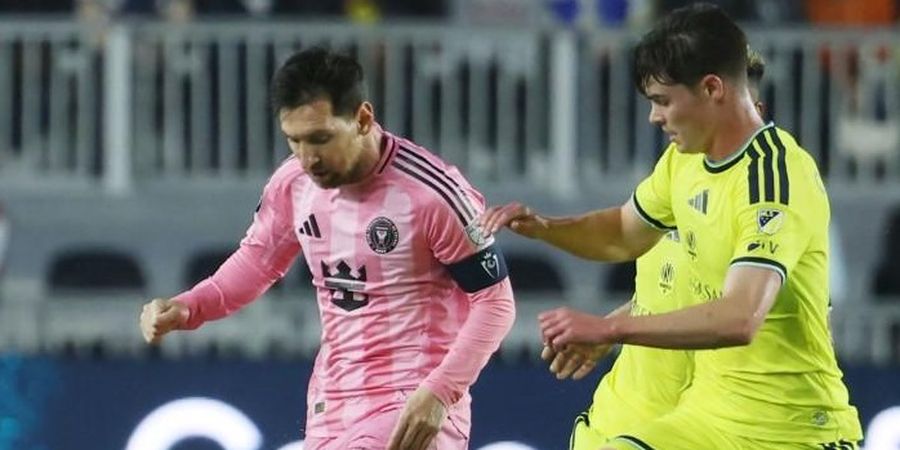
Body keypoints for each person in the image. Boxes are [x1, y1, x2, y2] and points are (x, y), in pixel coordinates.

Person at [481, 4, 862, 449]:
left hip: (791, 432)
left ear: (712, 88)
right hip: (709, 420)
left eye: (663, 101)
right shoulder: (685, 163)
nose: (654, 117)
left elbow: (740, 317)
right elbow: (623, 232)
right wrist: (547, 227)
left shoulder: (773, 178)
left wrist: (609, 330)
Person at [139, 47, 516, 450]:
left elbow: (496, 303)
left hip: (412, 402)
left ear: (363, 119)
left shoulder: (432, 193)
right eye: (295, 141)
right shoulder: (293, 185)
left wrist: (441, 392)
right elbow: (257, 261)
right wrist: (190, 306)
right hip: (331, 406)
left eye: (321, 139)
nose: (308, 158)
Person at [559, 49, 769, 450]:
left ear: (754, 113)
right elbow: (665, 292)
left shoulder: (767, 207)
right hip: (610, 425)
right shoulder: (673, 179)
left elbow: (784, 324)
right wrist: (608, 328)